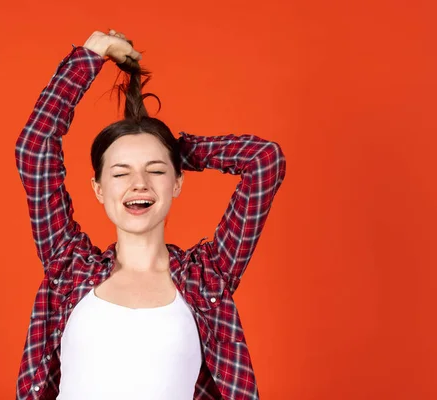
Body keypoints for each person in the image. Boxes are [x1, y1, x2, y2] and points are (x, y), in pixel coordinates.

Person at [14, 29, 287, 400]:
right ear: (98, 188)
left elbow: (264, 161)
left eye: (156, 171)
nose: (139, 183)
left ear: (176, 183)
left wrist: (179, 152)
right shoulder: (69, 267)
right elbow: (34, 147)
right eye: (121, 172)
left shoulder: (208, 278)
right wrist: (91, 53)